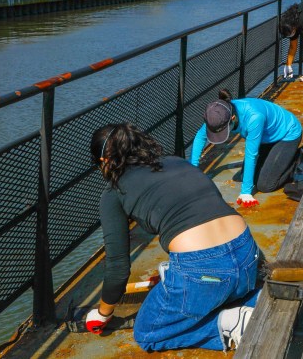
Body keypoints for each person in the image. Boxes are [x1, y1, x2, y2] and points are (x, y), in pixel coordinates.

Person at [87, 122, 261, 351]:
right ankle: (257, 298)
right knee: (224, 285)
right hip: (248, 253)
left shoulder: (113, 193)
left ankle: (231, 324)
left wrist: (102, 314)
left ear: (104, 161)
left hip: (206, 268)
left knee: (148, 333)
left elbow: (118, 268)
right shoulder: (177, 161)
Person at [191, 89, 303, 207]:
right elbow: (200, 137)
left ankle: (295, 158)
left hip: (287, 134)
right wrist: (193, 168)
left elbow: (251, 154)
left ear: (233, 118)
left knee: (265, 185)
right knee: (243, 176)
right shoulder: (217, 112)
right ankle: (279, 157)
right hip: (266, 137)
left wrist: (246, 192)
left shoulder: (254, 117)